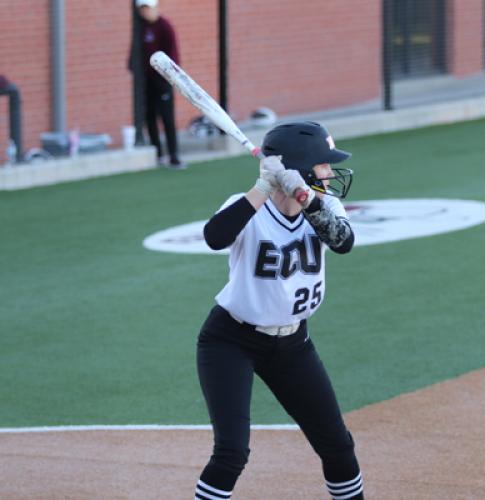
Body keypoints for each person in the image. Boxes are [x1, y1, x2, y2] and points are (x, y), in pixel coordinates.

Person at [195, 121, 364, 499]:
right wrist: (262, 188)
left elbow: (343, 242)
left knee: (338, 445)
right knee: (231, 453)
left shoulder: (327, 206)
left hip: (293, 344)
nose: (330, 173)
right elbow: (214, 237)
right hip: (231, 341)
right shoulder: (246, 208)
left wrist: (305, 197)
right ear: (302, 166)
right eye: (323, 165)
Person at [134, 0, 186, 169]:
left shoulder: (164, 26)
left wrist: (167, 77)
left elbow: (173, 56)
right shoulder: (139, 27)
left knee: (167, 118)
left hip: (162, 81)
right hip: (145, 81)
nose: (145, 12)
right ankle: (157, 153)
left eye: (148, 8)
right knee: (149, 117)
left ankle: (173, 155)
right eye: (142, 9)